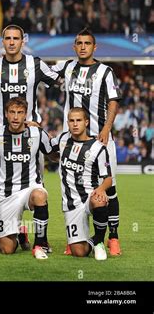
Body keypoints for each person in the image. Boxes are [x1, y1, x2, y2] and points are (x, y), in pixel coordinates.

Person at [0, 24, 60, 253]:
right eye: (8, 38)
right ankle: (2, 235)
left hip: (31, 134)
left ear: (23, 41)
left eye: (16, 38)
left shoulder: (35, 64)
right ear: (2, 41)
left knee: (36, 188)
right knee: (1, 187)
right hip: (1, 135)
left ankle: (40, 239)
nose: (12, 42)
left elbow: (58, 81)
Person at [51, 28, 123, 256]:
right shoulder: (67, 67)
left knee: (108, 188)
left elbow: (113, 101)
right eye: (79, 43)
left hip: (100, 139)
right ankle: (77, 235)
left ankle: (113, 237)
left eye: (87, 43)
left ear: (94, 47)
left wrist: (107, 127)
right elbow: (40, 75)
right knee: (72, 186)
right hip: (73, 141)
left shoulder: (105, 71)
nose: (83, 47)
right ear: (74, 47)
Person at [0, 97, 54, 259]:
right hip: (7, 193)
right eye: (12, 112)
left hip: (30, 188)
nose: (16, 117)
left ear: (26, 115)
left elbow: (53, 153)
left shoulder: (37, 133)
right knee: (7, 250)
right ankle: (20, 232)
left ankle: (40, 243)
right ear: (6, 114)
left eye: (20, 113)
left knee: (40, 195)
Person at [51, 108, 111, 260]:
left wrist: (101, 189)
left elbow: (108, 179)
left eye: (78, 120)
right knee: (79, 252)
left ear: (86, 122)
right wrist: (33, 127)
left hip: (90, 197)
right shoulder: (62, 139)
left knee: (99, 199)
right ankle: (91, 241)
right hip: (71, 204)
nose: (75, 124)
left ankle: (98, 242)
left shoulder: (98, 147)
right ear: (67, 123)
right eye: (71, 121)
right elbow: (45, 146)